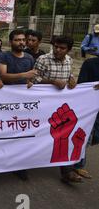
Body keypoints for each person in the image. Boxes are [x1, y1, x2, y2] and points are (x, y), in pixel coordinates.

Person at [29, 36, 79, 183]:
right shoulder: (44, 59)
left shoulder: (69, 60)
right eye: (56, 46)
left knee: (63, 136)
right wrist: (52, 82)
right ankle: (22, 165)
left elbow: (69, 76)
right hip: (42, 106)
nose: (57, 50)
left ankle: (67, 171)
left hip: (60, 107)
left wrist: (72, 81)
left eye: (62, 48)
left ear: (68, 50)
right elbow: (32, 79)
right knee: (36, 135)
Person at [0, 29, 37, 181]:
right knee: (6, 133)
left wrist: (30, 82)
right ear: (10, 42)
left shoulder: (29, 58)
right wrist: (24, 76)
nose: (21, 42)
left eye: (23, 40)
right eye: (17, 40)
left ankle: (20, 166)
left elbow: (31, 79)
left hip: (24, 104)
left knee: (22, 135)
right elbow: (4, 76)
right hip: (7, 102)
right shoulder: (4, 56)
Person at [72, 56, 99, 179]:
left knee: (95, 137)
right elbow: (82, 85)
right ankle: (78, 165)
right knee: (85, 135)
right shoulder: (90, 63)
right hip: (90, 107)